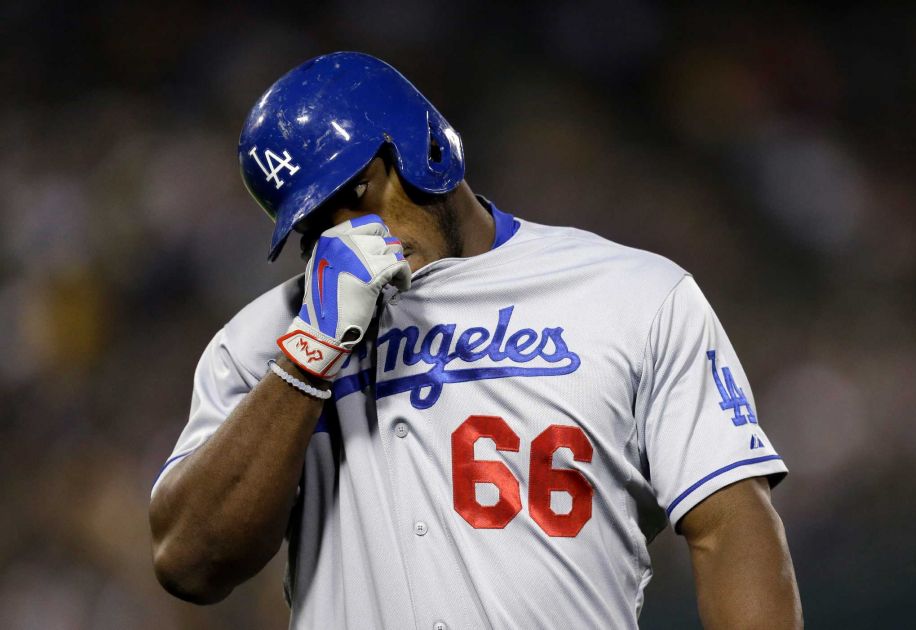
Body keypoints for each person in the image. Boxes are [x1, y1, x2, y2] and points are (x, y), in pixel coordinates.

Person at [149, 51, 802, 629]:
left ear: (422, 149)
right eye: (316, 222)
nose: (346, 231)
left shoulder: (632, 295)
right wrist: (308, 357)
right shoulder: (263, 341)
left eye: (356, 193)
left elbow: (728, 525)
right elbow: (189, 563)